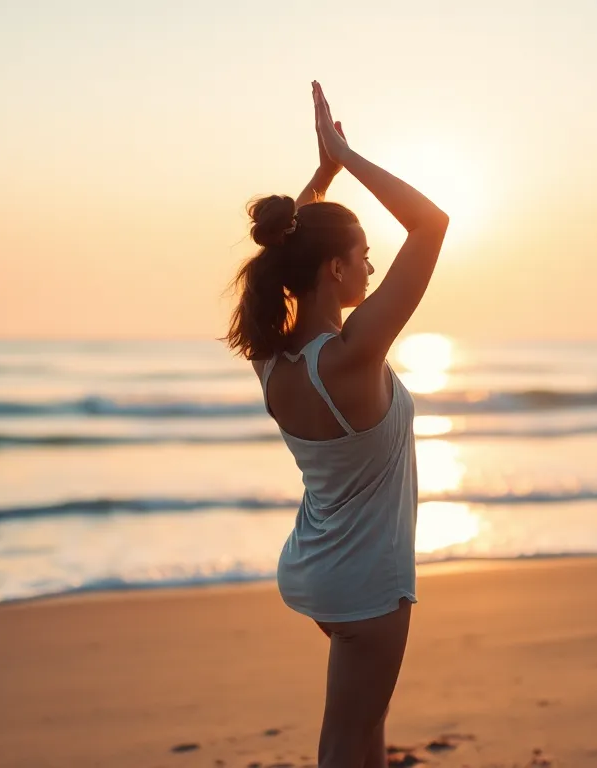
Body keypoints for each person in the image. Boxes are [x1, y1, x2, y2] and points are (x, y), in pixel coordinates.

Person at [222, 81, 449, 768]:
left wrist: (319, 180)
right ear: (334, 268)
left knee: (362, 731)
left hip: (315, 571)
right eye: (363, 256)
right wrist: (345, 157)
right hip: (366, 586)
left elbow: (288, 249)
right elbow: (432, 225)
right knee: (348, 741)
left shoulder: (272, 359)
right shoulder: (352, 358)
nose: (373, 266)